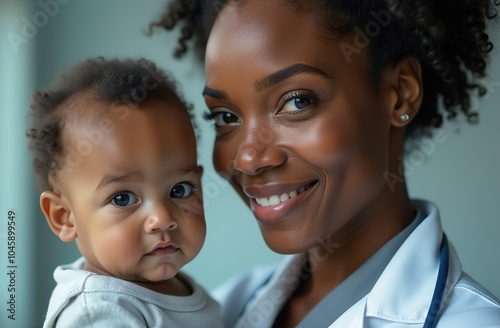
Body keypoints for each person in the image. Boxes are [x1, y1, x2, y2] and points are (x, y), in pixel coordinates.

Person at [154, 0, 500, 327]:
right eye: (226, 116)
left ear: (400, 92)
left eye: (296, 102)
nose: (247, 159)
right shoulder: (222, 307)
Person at [26, 57, 224, 328]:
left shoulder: (173, 285)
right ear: (64, 217)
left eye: (180, 189)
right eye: (123, 198)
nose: (163, 218)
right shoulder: (99, 312)